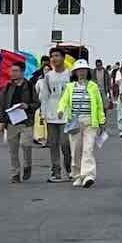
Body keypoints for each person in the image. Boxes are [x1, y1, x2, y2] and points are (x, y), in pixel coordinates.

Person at [64, 60, 106, 186]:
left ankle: (88, 175)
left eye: (84, 69)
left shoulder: (93, 86)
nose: (81, 72)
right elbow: (63, 101)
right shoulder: (70, 87)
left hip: (90, 122)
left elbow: (99, 105)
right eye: (79, 70)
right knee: (76, 150)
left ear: (87, 71)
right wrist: (61, 111)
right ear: (75, 72)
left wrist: (102, 121)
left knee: (88, 149)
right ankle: (76, 175)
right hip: (75, 122)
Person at [0, 60, 39, 183]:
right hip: (11, 122)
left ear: (22, 72)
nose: (13, 73)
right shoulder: (8, 87)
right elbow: (2, 104)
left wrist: (27, 106)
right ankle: (15, 173)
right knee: (13, 150)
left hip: (26, 122)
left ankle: (27, 165)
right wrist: (1, 121)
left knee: (26, 145)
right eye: (12, 71)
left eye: (15, 71)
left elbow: (37, 103)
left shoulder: (30, 86)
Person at [38, 48, 74, 183]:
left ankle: (70, 169)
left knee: (65, 144)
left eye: (57, 56)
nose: (54, 58)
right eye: (52, 56)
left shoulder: (70, 75)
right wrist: (43, 112)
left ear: (63, 58)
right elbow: (45, 96)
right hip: (51, 115)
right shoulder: (47, 77)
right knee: (53, 144)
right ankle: (56, 172)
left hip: (66, 115)